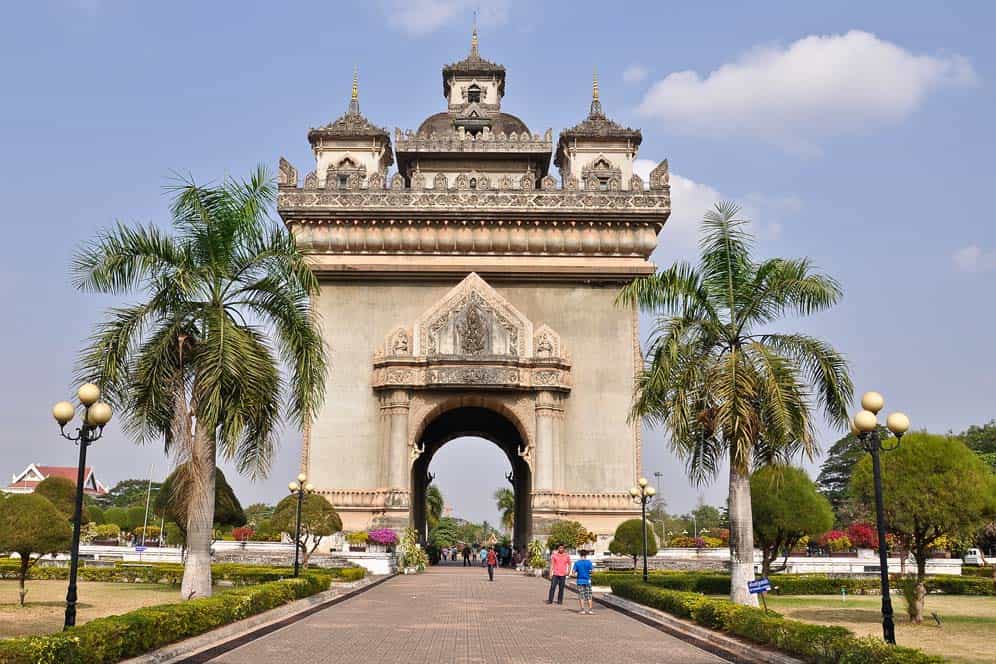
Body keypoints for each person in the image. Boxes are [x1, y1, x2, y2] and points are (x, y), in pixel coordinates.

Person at [572, 549, 595, 615]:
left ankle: (582, 610)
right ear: (586, 555)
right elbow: (592, 571)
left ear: (580, 555)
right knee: (589, 596)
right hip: (587, 581)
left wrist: (577, 574)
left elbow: (573, 573)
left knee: (581, 596)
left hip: (580, 581)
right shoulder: (589, 562)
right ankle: (590, 610)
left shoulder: (577, 563)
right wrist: (589, 573)